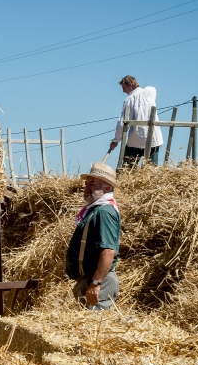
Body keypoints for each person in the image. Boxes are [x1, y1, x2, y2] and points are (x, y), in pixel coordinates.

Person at [65, 162, 120, 310]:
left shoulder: (104, 212)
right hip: (90, 279)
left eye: (93, 184)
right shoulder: (94, 210)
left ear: (107, 188)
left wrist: (96, 283)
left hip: (100, 282)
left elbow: (108, 251)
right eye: (87, 183)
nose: (87, 187)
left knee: (95, 327)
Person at [109, 76, 163, 167]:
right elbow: (152, 87)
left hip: (136, 139)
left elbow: (122, 122)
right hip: (153, 138)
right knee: (151, 170)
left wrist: (116, 139)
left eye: (124, 88)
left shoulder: (129, 99)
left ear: (130, 84)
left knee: (128, 168)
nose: (123, 91)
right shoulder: (150, 92)